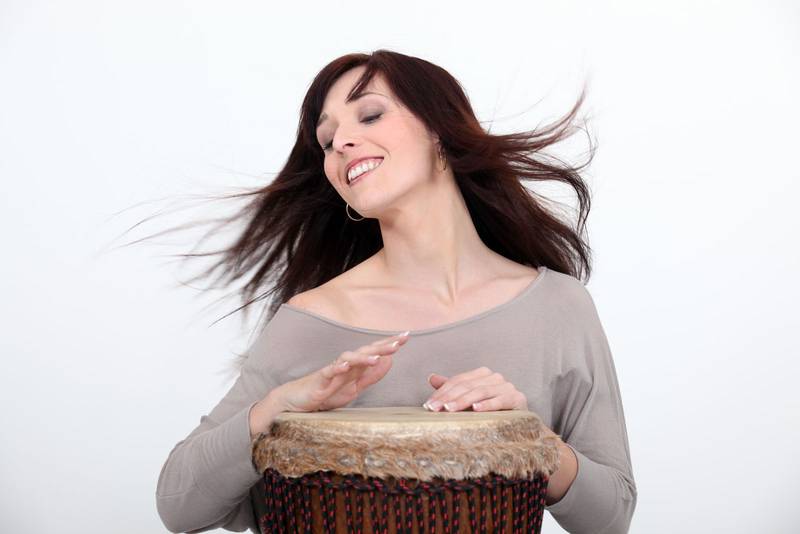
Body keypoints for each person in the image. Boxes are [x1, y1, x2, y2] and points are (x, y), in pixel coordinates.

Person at [155, 49, 637, 534]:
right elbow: (179, 505)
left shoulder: (557, 306)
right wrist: (277, 407)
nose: (341, 143)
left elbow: (612, 517)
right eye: (327, 141)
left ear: (440, 132)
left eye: (370, 115)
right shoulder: (310, 321)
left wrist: (530, 439)